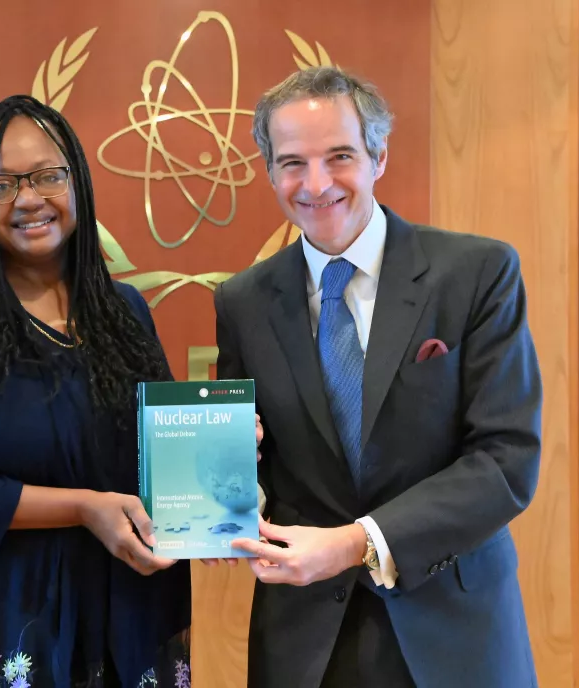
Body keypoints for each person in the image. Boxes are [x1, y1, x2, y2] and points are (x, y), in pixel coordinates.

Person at [214, 66, 543, 688]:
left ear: (378, 156)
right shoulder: (243, 301)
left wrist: (355, 543)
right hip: (306, 643)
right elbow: (251, 464)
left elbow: (506, 459)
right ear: (268, 172)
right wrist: (227, 491)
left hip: (453, 628)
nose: (315, 184)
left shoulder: (476, 273)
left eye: (339, 155)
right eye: (291, 163)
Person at [0, 95, 192, 688]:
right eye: (2, 184)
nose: (29, 199)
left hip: (118, 611)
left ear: (78, 184)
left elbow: (157, 450)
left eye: (48, 176)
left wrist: (217, 464)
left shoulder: (125, 312)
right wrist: (80, 507)